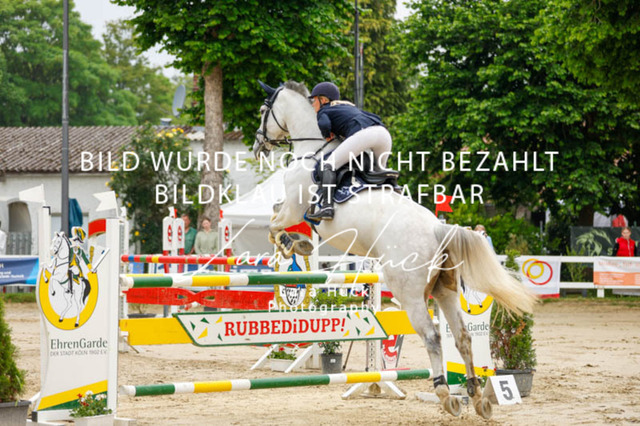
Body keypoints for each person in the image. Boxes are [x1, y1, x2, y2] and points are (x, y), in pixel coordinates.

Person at [307, 82, 394, 221]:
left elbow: (324, 124)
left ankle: (327, 207)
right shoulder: (347, 106)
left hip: (365, 134)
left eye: (314, 100)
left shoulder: (324, 110)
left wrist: (326, 134)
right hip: (384, 135)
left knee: (328, 165)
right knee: (378, 172)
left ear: (323, 100)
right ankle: (394, 191)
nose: (312, 105)